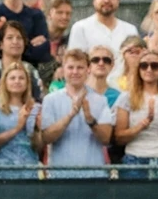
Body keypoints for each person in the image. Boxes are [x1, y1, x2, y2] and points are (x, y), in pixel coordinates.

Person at [33, 49, 112, 179]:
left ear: (88, 70)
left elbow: (106, 139)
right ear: (63, 69)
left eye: (80, 67)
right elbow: (46, 138)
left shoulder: (101, 100)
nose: (75, 72)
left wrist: (90, 119)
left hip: (94, 176)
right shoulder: (50, 100)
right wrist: (71, 114)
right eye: (70, 67)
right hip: (60, 176)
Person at [112, 49, 158, 178]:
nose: (149, 69)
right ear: (138, 70)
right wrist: (141, 125)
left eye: (155, 66)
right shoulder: (126, 98)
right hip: (134, 160)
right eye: (144, 65)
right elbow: (119, 137)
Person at [67, 0, 138, 85]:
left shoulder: (130, 30)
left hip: (124, 92)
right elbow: (75, 64)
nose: (106, 0)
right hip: (91, 92)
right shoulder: (81, 28)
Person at [0, 62, 41, 179]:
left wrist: (37, 129)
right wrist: (17, 128)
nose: (17, 81)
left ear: (27, 83)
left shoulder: (35, 108)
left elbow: (38, 148)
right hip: (1, 172)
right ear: (5, 82)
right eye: (12, 78)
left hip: (28, 171)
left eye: (21, 78)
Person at [0, 20, 43, 102]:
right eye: (10, 38)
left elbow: (38, 100)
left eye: (19, 38)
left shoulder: (31, 71)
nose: (15, 42)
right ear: (0, 44)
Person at [40, 0, 74, 89]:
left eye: (68, 13)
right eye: (60, 12)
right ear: (49, 14)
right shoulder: (37, 39)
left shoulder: (71, 41)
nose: (64, 17)